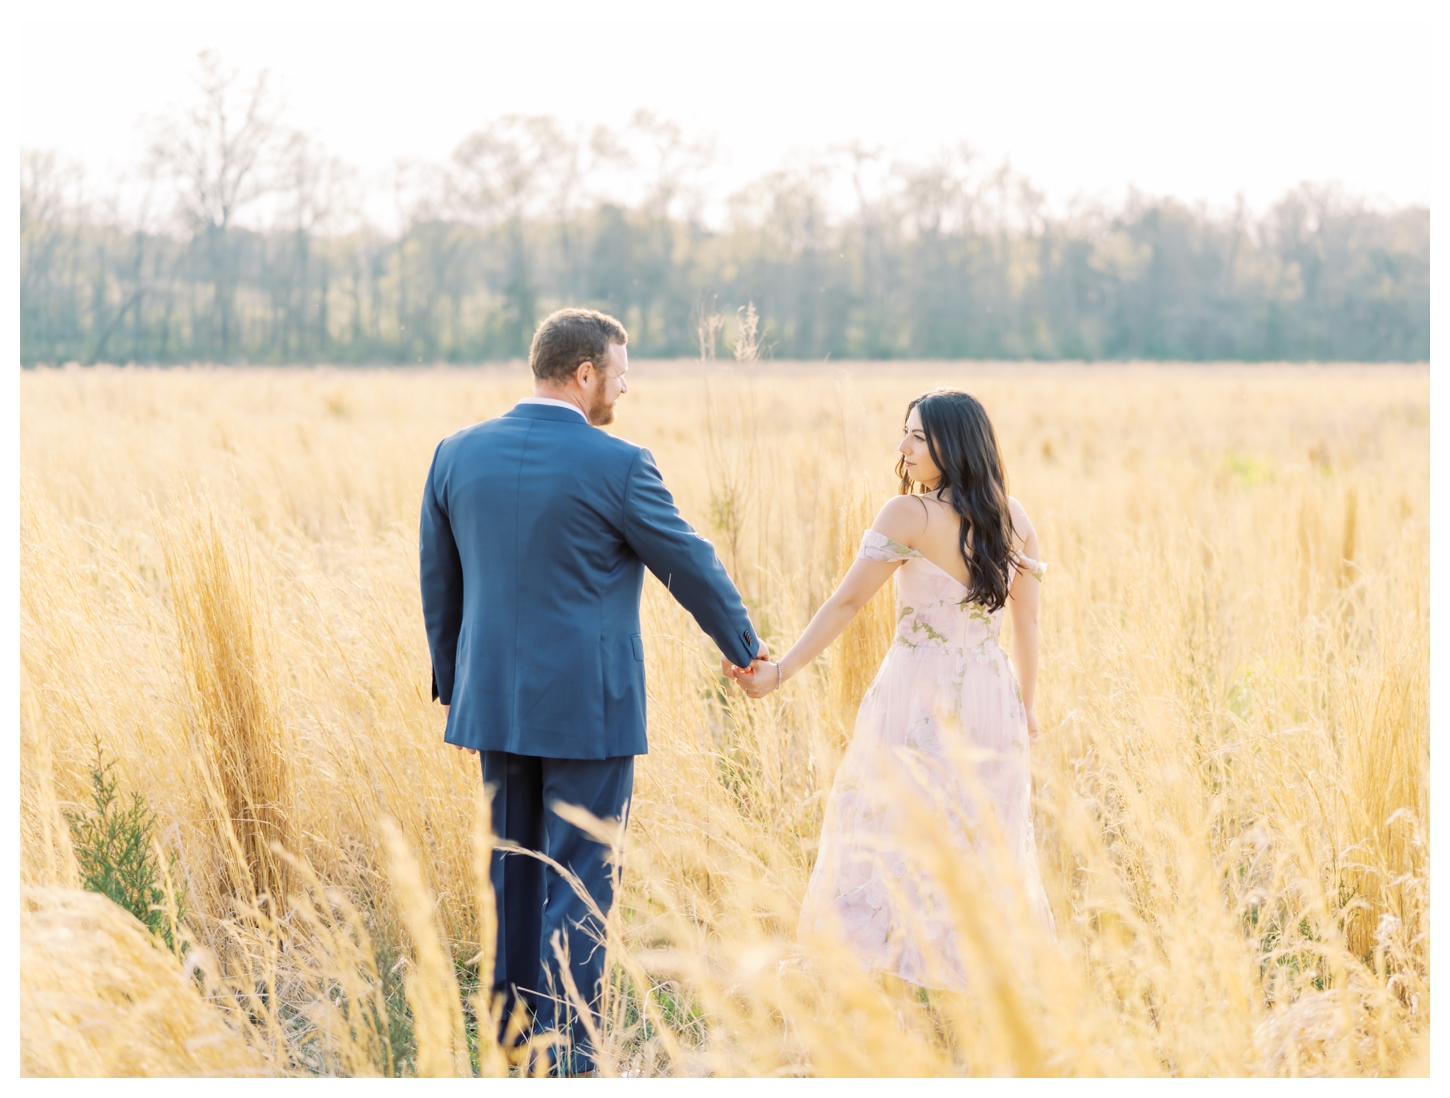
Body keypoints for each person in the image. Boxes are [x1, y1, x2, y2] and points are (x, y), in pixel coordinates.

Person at [419, 308, 765, 1075]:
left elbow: (439, 582)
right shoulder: (619, 464)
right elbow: (690, 563)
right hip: (589, 711)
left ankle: (511, 1047)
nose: (624, 389)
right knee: (578, 880)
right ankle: (571, 1061)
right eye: (620, 373)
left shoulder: (455, 455)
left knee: (509, 872)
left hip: (493, 709)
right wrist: (745, 648)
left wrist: (455, 681)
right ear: (584, 374)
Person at [727, 388, 1053, 990]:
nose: (903, 448)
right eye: (905, 433)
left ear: (954, 445)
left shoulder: (909, 514)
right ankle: (967, 980)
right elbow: (1027, 622)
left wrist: (780, 672)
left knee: (888, 829)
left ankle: (892, 974)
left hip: (918, 691)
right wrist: (1025, 707)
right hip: (990, 695)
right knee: (978, 837)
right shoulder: (1015, 517)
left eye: (918, 436)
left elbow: (848, 603)